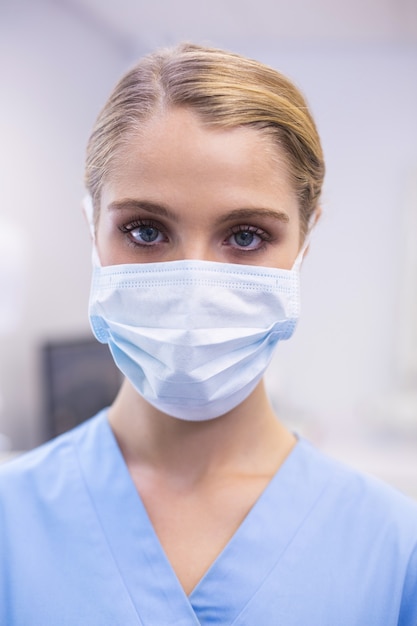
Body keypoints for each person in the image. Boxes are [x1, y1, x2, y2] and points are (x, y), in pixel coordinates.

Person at [0, 43, 416, 625]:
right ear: (93, 228)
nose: (193, 283)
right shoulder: (10, 526)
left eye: (245, 236)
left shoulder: (393, 551)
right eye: (145, 230)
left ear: (305, 241)